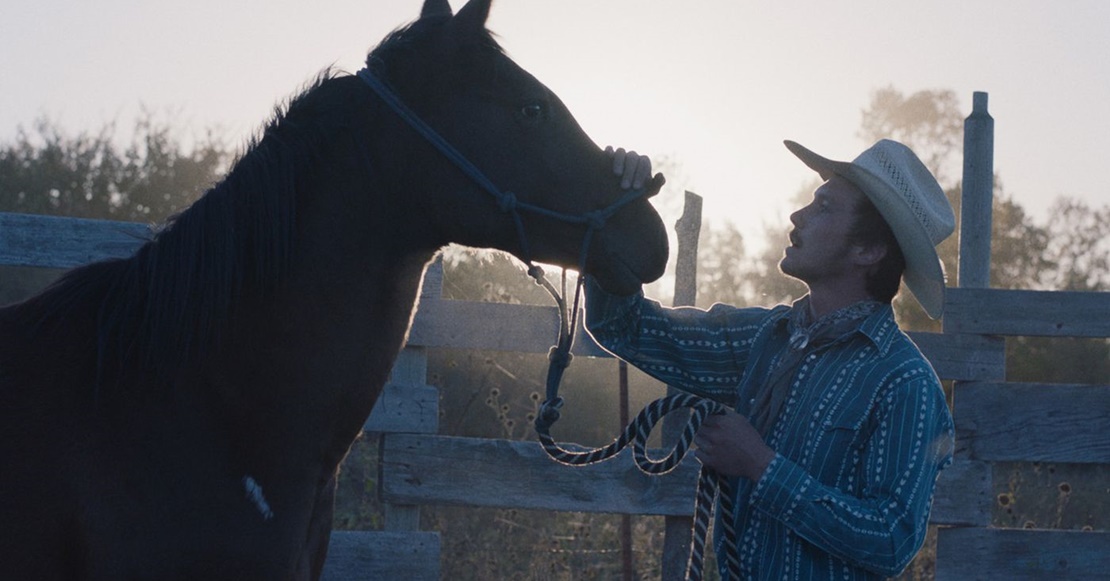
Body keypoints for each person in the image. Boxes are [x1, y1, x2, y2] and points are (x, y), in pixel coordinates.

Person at [591, 141, 956, 579]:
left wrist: (760, 466)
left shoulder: (903, 381)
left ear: (868, 251)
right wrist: (610, 206)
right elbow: (627, 327)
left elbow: (891, 540)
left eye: (824, 207)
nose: (798, 216)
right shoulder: (764, 339)